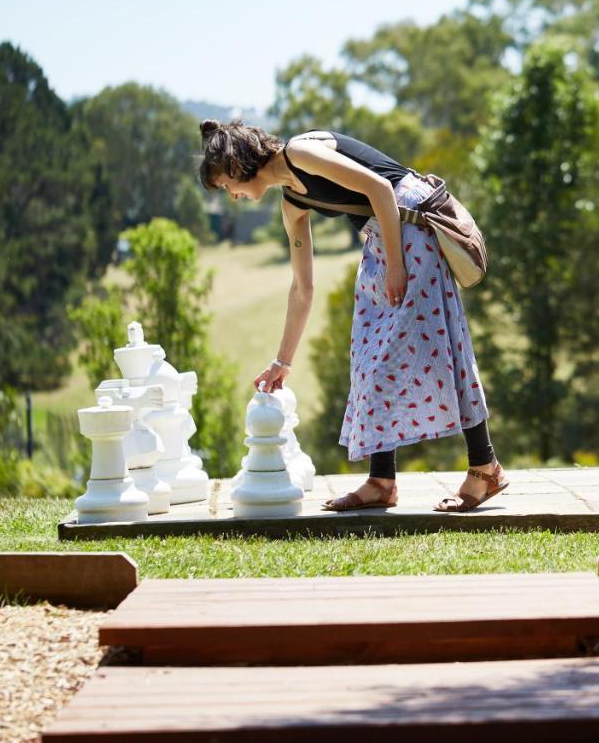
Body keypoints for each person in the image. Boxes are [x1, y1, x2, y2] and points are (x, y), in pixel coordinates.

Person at [198, 121, 508, 512]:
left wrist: (396, 264)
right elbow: (302, 288)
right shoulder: (292, 205)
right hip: (384, 238)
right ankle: (382, 482)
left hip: (409, 227)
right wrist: (282, 361)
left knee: (440, 348)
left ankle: (485, 465)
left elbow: (379, 188)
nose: (232, 195)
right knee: (367, 359)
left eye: (226, 184)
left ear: (238, 162)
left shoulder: (301, 152)